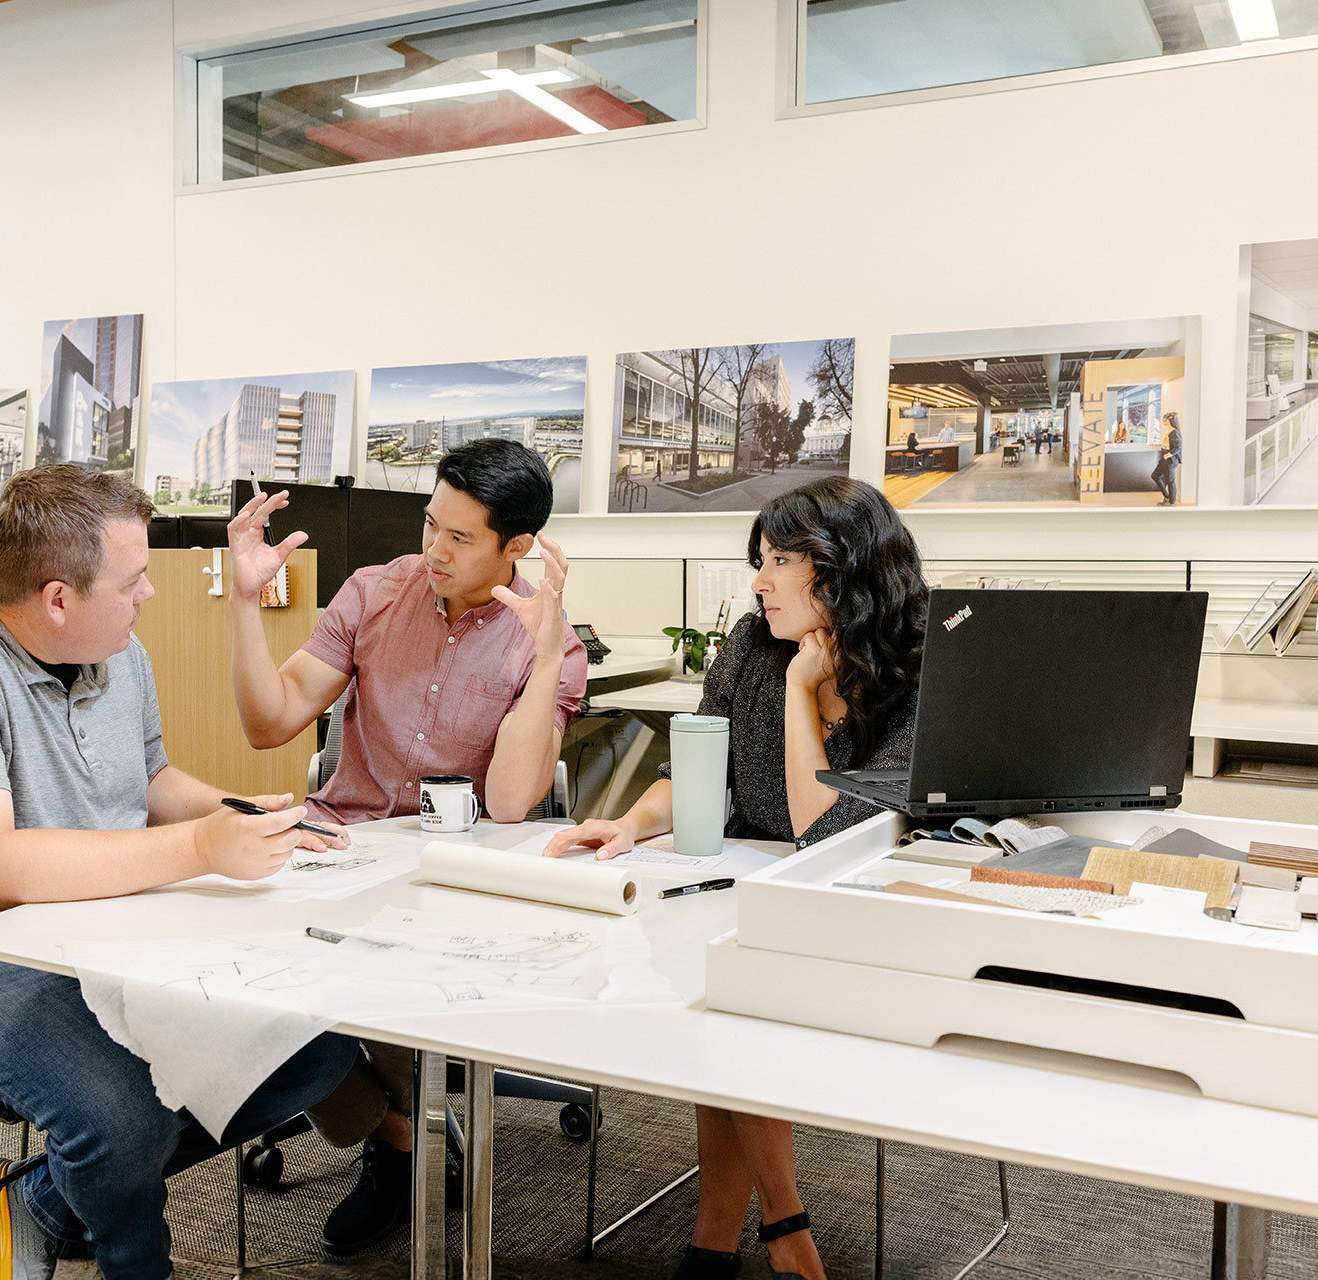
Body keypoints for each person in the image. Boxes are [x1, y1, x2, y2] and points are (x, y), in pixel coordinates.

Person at [0, 464, 357, 1280]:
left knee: (312, 1051)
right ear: (57, 598)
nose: (150, 593)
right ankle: (133, 1259)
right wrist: (197, 851)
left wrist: (241, 813)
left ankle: (41, 1204)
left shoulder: (114, 650)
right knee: (119, 1109)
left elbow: (148, 784)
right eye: (135, 578)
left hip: (86, 932)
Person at [543, 476, 927, 1280]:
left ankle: (757, 1233)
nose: (758, 582)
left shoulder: (916, 666)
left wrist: (799, 689)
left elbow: (819, 831)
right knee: (719, 984)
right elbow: (697, 772)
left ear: (842, 566)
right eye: (759, 560)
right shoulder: (749, 646)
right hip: (751, 899)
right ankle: (745, 1236)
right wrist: (632, 821)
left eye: (779, 561)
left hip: (866, 918)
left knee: (731, 995)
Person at [228, 436, 588, 1255]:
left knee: (383, 971)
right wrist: (246, 604)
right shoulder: (374, 592)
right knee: (237, 972)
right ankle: (399, 1133)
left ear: (517, 547)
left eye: (460, 538)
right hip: (338, 841)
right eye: (431, 525)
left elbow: (508, 800)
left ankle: (396, 1154)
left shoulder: (552, 643)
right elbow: (267, 722)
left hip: (443, 867)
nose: (434, 550)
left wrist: (539, 660)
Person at [1153, 411, 1183, 505]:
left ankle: (1171, 503)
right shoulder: (1169, 431)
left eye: (1165, 419)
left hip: (1170, 460)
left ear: (1170, 420)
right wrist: (1157, 445)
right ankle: (1166, 496)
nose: (1163, 420)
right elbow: (1167, 444)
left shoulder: (1175, 432)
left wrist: (1168, 455)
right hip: (1164, 458)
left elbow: (1178, 447)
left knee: (1170, 481)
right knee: (1155, 476)